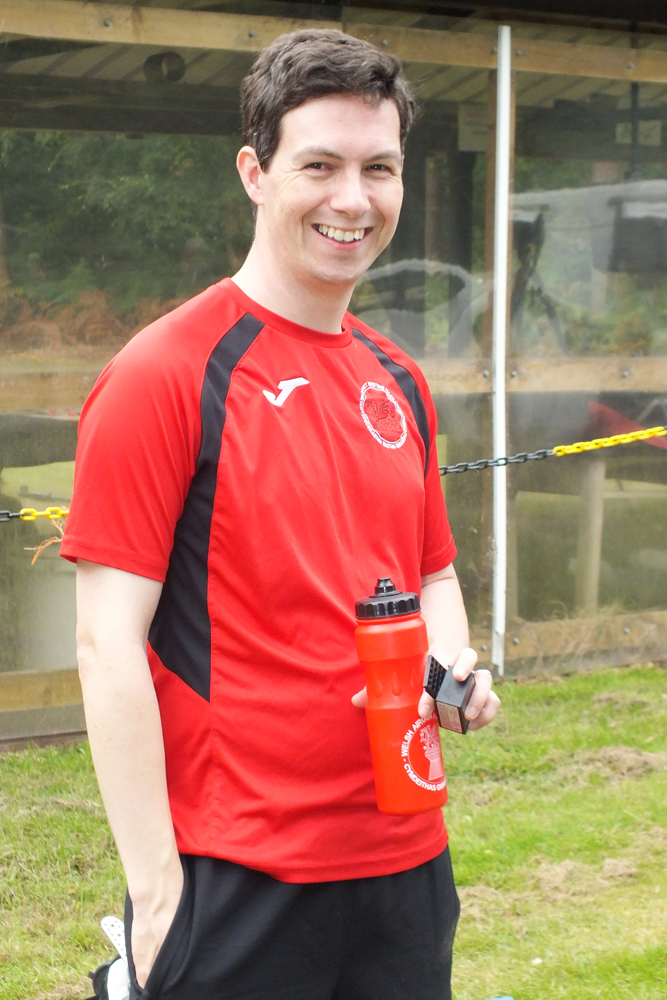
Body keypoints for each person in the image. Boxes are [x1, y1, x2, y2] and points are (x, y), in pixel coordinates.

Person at [61, 28, 500, 1000]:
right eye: (320, 165)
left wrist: (452, 665)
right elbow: (106, 644)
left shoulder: (399, 377)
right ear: (256, 172)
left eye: (378, 167)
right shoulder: (165, 373)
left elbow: (428, 572)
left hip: (404, 866)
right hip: (238, 873)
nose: (354, 198)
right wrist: (157, 887)